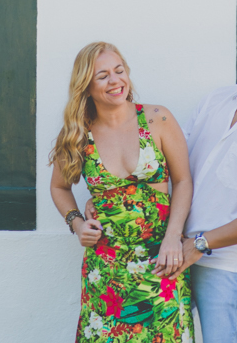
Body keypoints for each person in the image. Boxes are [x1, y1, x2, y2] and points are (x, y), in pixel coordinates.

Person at [97, 20, 237, 343]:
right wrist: (104, 202)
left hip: (221, 265)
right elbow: (170, 170)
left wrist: (200, 244)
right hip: (168, 249)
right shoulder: (217, 99)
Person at [50, 42, 196, 343]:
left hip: (162, 259)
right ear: (86, 87)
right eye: (102, 76)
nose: (115, 81)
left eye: (119, 71)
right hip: (106, 268)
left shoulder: (158, 119)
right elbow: (59, 187)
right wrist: (77, 223)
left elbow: (182, 182)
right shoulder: (78, 134)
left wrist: (173, 237)